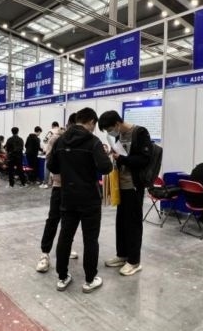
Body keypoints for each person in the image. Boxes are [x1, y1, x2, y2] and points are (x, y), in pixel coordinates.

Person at [48, 107, 112, 293]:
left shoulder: (60, 140)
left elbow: (52, 166)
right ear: (91, 122)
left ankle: (62, 277)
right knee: (90, 239)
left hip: (67, 196)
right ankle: (90, 280)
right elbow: (106, 168)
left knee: (65, 236)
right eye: (94, 125)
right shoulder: (93, 141)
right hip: (89, 197)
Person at [98, 110, 152, 277]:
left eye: (109, 129)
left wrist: (121, 159)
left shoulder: (140, 132)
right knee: (121, 221)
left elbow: (144, 159)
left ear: (117, 124)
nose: (109, 133)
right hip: (120, 185)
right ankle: (122, 255)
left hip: (133, 186)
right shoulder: (118, 136)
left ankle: (134, 261)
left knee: (133, 223)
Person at [36, 114, 78, 273]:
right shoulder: (56, 139)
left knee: (70, 221)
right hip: (59, 185)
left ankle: (66, 247)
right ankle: (44, 254)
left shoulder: (82, 140)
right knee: (53, 219)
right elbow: (49, 159)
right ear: (70, 125)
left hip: (75, 187)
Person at [40, 121, 60, 188]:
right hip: (59, 152)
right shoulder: (61, 131)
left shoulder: (51, 131)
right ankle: (55, 182)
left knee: (47, 167)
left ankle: (45, 183)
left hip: (50, 152)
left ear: (52, 125)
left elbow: (45, 140)